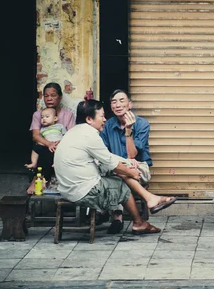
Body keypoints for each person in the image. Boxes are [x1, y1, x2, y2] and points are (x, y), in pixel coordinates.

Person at [54, 99, 178, 235]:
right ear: (89, 119)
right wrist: (132, 173)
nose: (105, 119)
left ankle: (150, 200)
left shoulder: (74, 132)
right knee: (121, 185)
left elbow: (107, 157)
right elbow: (111, 163)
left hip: (68, 189)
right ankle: (139, 222)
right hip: (83, 191)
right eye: (101, 116)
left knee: (116, 173)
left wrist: (128, 163)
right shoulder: (89, 135)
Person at [100, 89, 153, 233]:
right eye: (113, 102)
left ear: (130, 104)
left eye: (121, 101)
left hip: (139, 167)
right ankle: (133, 215)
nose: (117, 105)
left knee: (119, 175)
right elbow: (103, 154)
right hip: (117, 169)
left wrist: (128, 130)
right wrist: (124, 164)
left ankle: (116, 216)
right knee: (117, 175)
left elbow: (132, 154)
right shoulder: (107, 125)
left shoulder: (142, 124)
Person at [27, 82, 75, 194]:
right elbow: (36, 135)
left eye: (53, 95)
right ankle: (40, 179)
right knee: (43, 149)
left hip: (62, 146)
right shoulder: (38, 115)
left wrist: (59, 144)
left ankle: (39, 179)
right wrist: (49, 144)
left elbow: (71, 135)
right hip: (45, 145)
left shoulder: (68, 115)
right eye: (46, 96)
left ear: (60, 97)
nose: (49, 99)